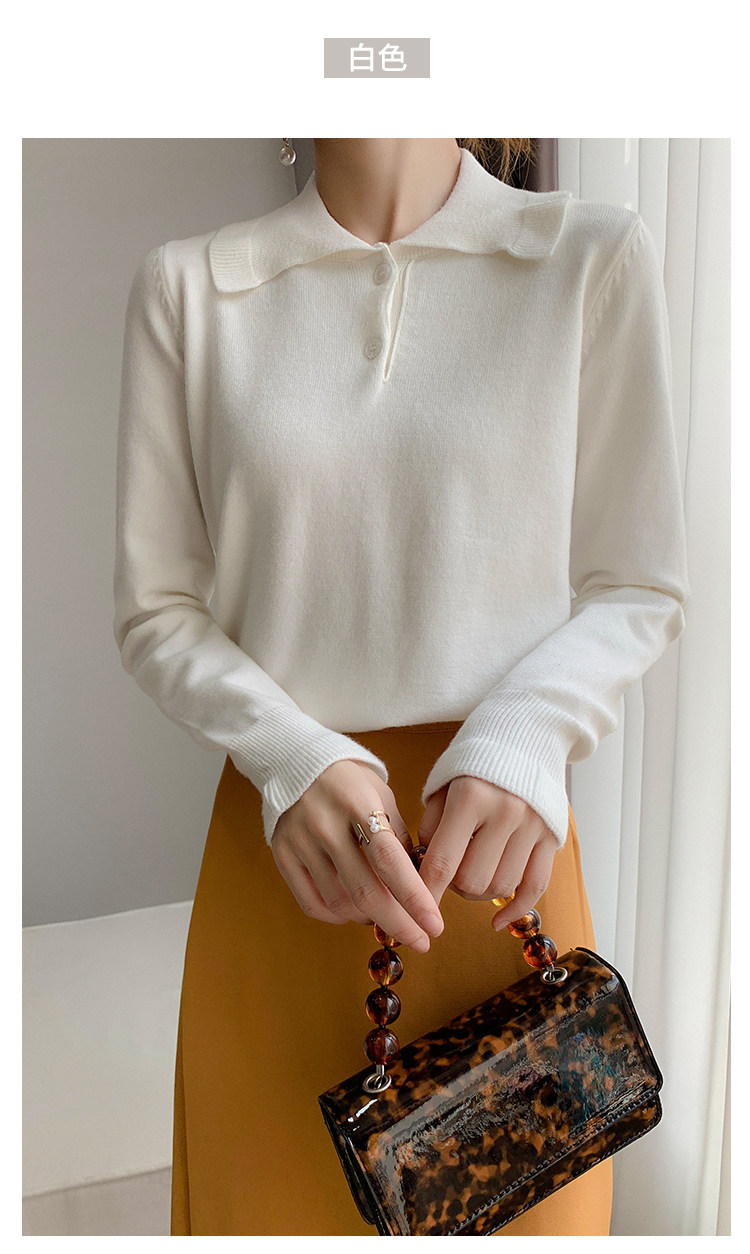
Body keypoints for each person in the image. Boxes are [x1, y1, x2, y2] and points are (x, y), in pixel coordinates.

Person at [112, 138, 690, 1236]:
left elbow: (640, 581)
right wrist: (291, 753)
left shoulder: (588, 258)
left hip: (500, 875)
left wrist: (529, 732)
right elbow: (156, 610)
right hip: (289, 856)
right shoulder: (190, 290)